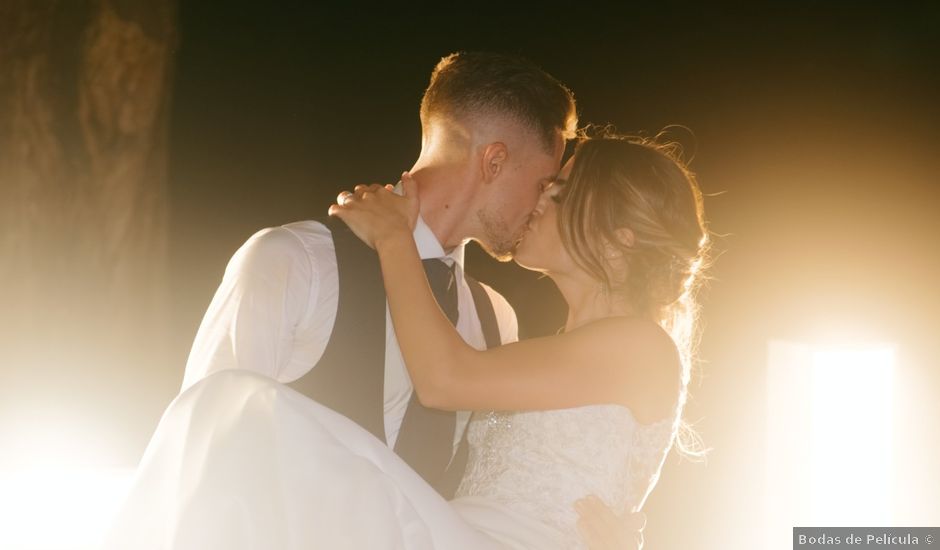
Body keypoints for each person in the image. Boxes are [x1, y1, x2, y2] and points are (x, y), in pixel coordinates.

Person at [104, 52, 645, 548]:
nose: (542, 205)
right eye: (545, 183)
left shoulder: (498, 320)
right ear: (494, 162)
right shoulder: (296, 260)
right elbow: (200, 459)